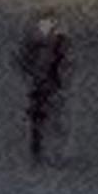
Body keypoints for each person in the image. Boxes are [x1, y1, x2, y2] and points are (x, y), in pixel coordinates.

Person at [14, 11, 72, 164]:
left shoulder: (50, 46)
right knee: (44, 116)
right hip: (43, 84)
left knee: (44, 116)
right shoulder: (52, 45)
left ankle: (44, 150)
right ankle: (43, 150)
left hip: (45, 83)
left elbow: (26, 59)